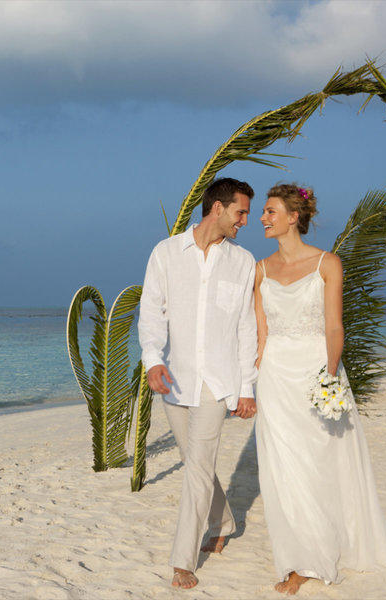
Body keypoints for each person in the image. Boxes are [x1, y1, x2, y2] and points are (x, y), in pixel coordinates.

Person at [254, 183, 386, 595]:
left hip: (316, 373)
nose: (263, 218)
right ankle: (300, 559)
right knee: (283, 468)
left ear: (293, 217)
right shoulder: (260, 270)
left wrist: (330, 375)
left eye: (270, 211)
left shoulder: (327, 263)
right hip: (274, 377)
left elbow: (334, 327)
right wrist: (251, 382)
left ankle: (320, 546)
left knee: (316, 463)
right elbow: (261, 335)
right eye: (263, 211)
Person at [138, 177, 259, 590]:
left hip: (217, 382)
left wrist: (246, 388)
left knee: (198, 468)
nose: (245, 221)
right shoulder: (166, 253)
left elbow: (245, 327)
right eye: (241, 212)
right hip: (175, 377)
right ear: (217, 208)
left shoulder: (242, 261)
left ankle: (183, 560)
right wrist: (153, 360)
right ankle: (223, 522)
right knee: (195, 463)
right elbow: (151, 312)